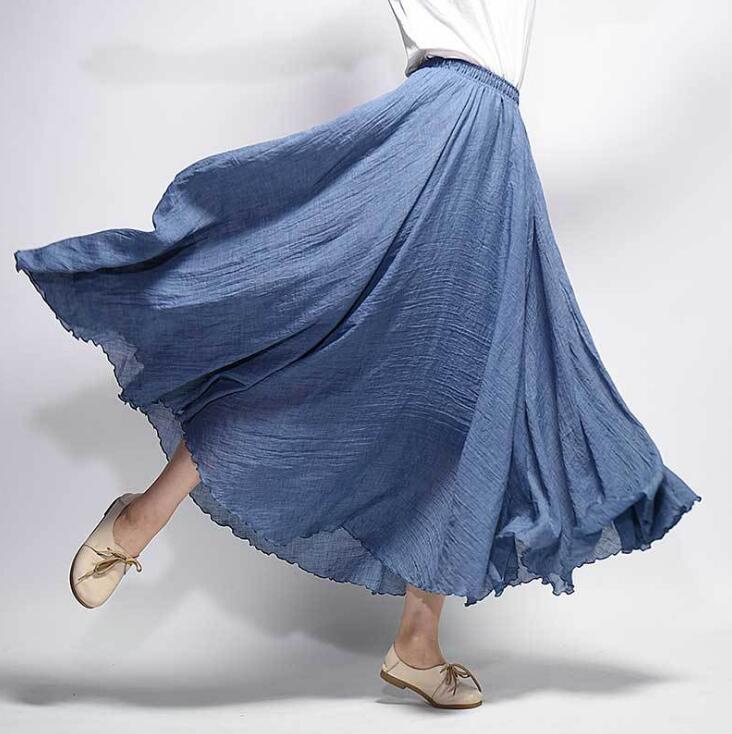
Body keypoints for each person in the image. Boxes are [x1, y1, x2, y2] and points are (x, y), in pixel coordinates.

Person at [13, 0, 701, 711]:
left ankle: (417, 641)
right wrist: (157, 64)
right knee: (327, 348)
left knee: (461, 398)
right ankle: (144, 515)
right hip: (442, 128)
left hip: (496, 151)